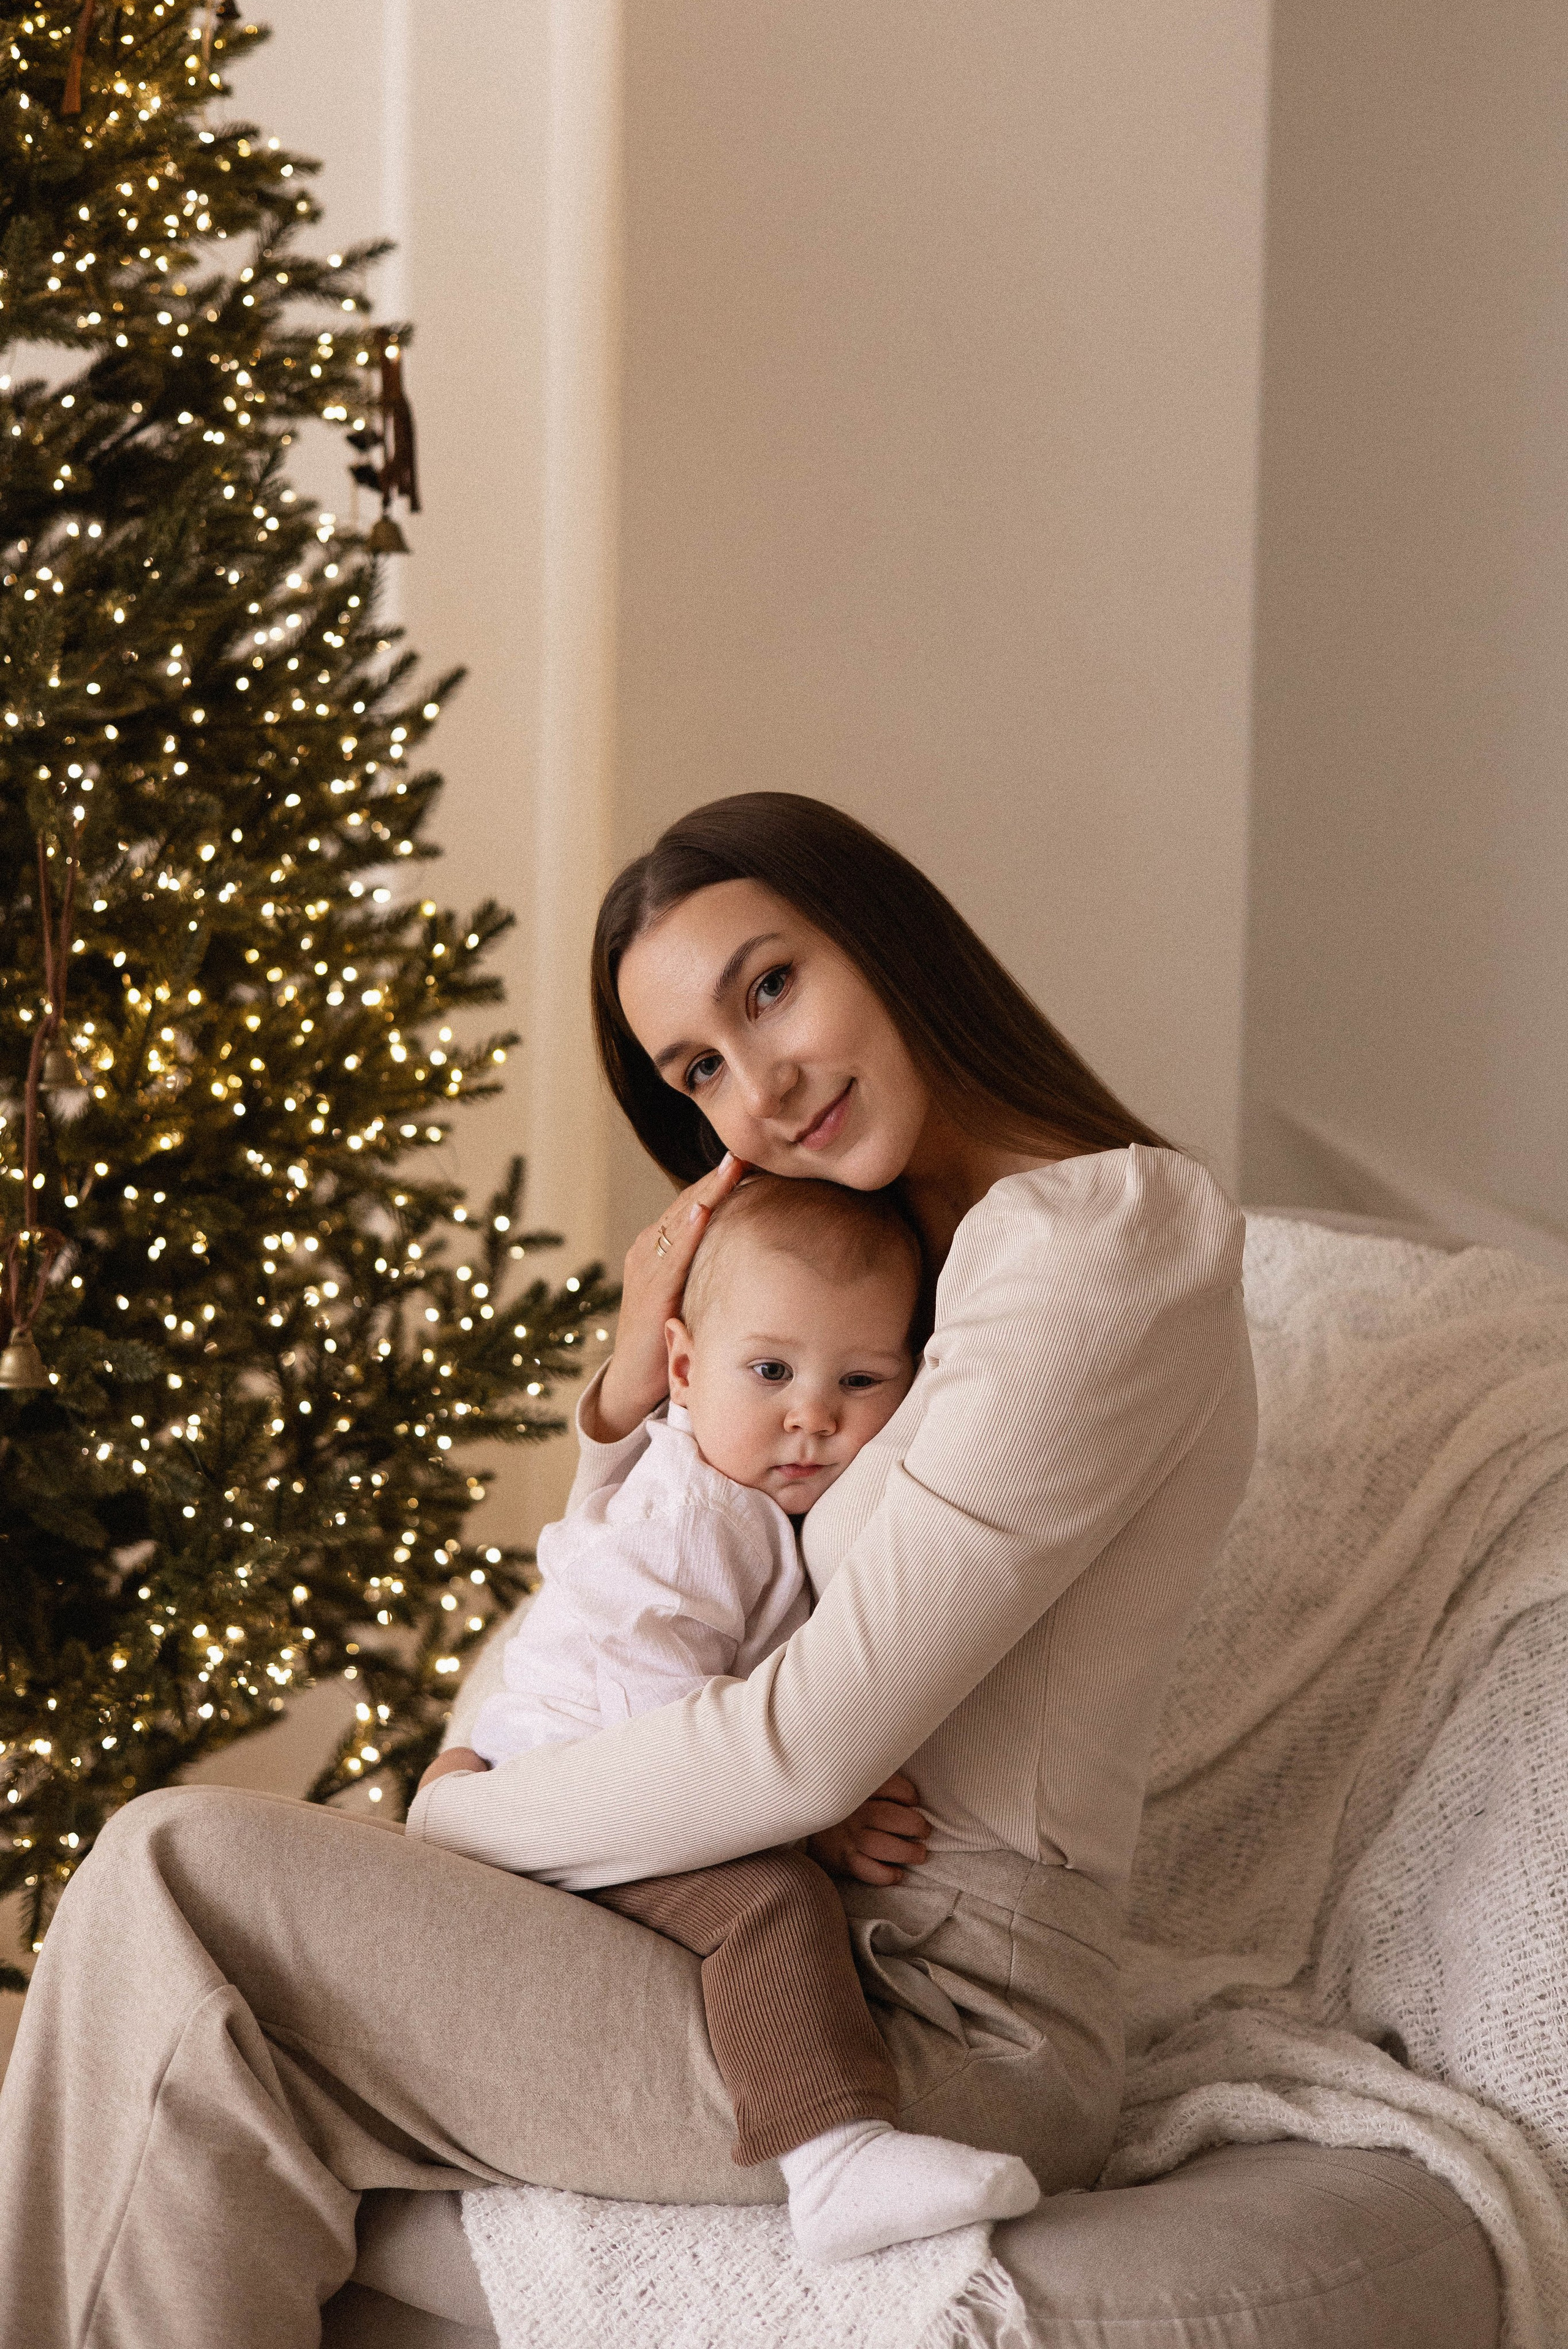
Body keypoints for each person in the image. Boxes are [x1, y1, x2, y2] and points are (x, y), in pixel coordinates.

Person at [0, 792, 1255, 2348]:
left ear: (885, 938)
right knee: (184, 2032)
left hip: (935, 2018)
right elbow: (640, 1594)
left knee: (176, 1874)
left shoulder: (1095, 1245)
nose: (759, 1086)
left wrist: (463, 1813)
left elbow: (802, 1753)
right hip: (728, 1926)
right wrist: (621, 1395)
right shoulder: (874, 1272)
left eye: (770, 986)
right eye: (699, 1071)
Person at [439, 1173, 1041, 2263]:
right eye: (770, 1372)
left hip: (558, 1770)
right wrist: (814, 1828)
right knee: (771, 1901)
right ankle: (836, 2161)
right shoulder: (695, 1521)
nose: (813, 1416)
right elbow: (658, 1728)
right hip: (565, 1788)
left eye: (860, 1380)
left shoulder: (742, 1498)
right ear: (682, 1370)